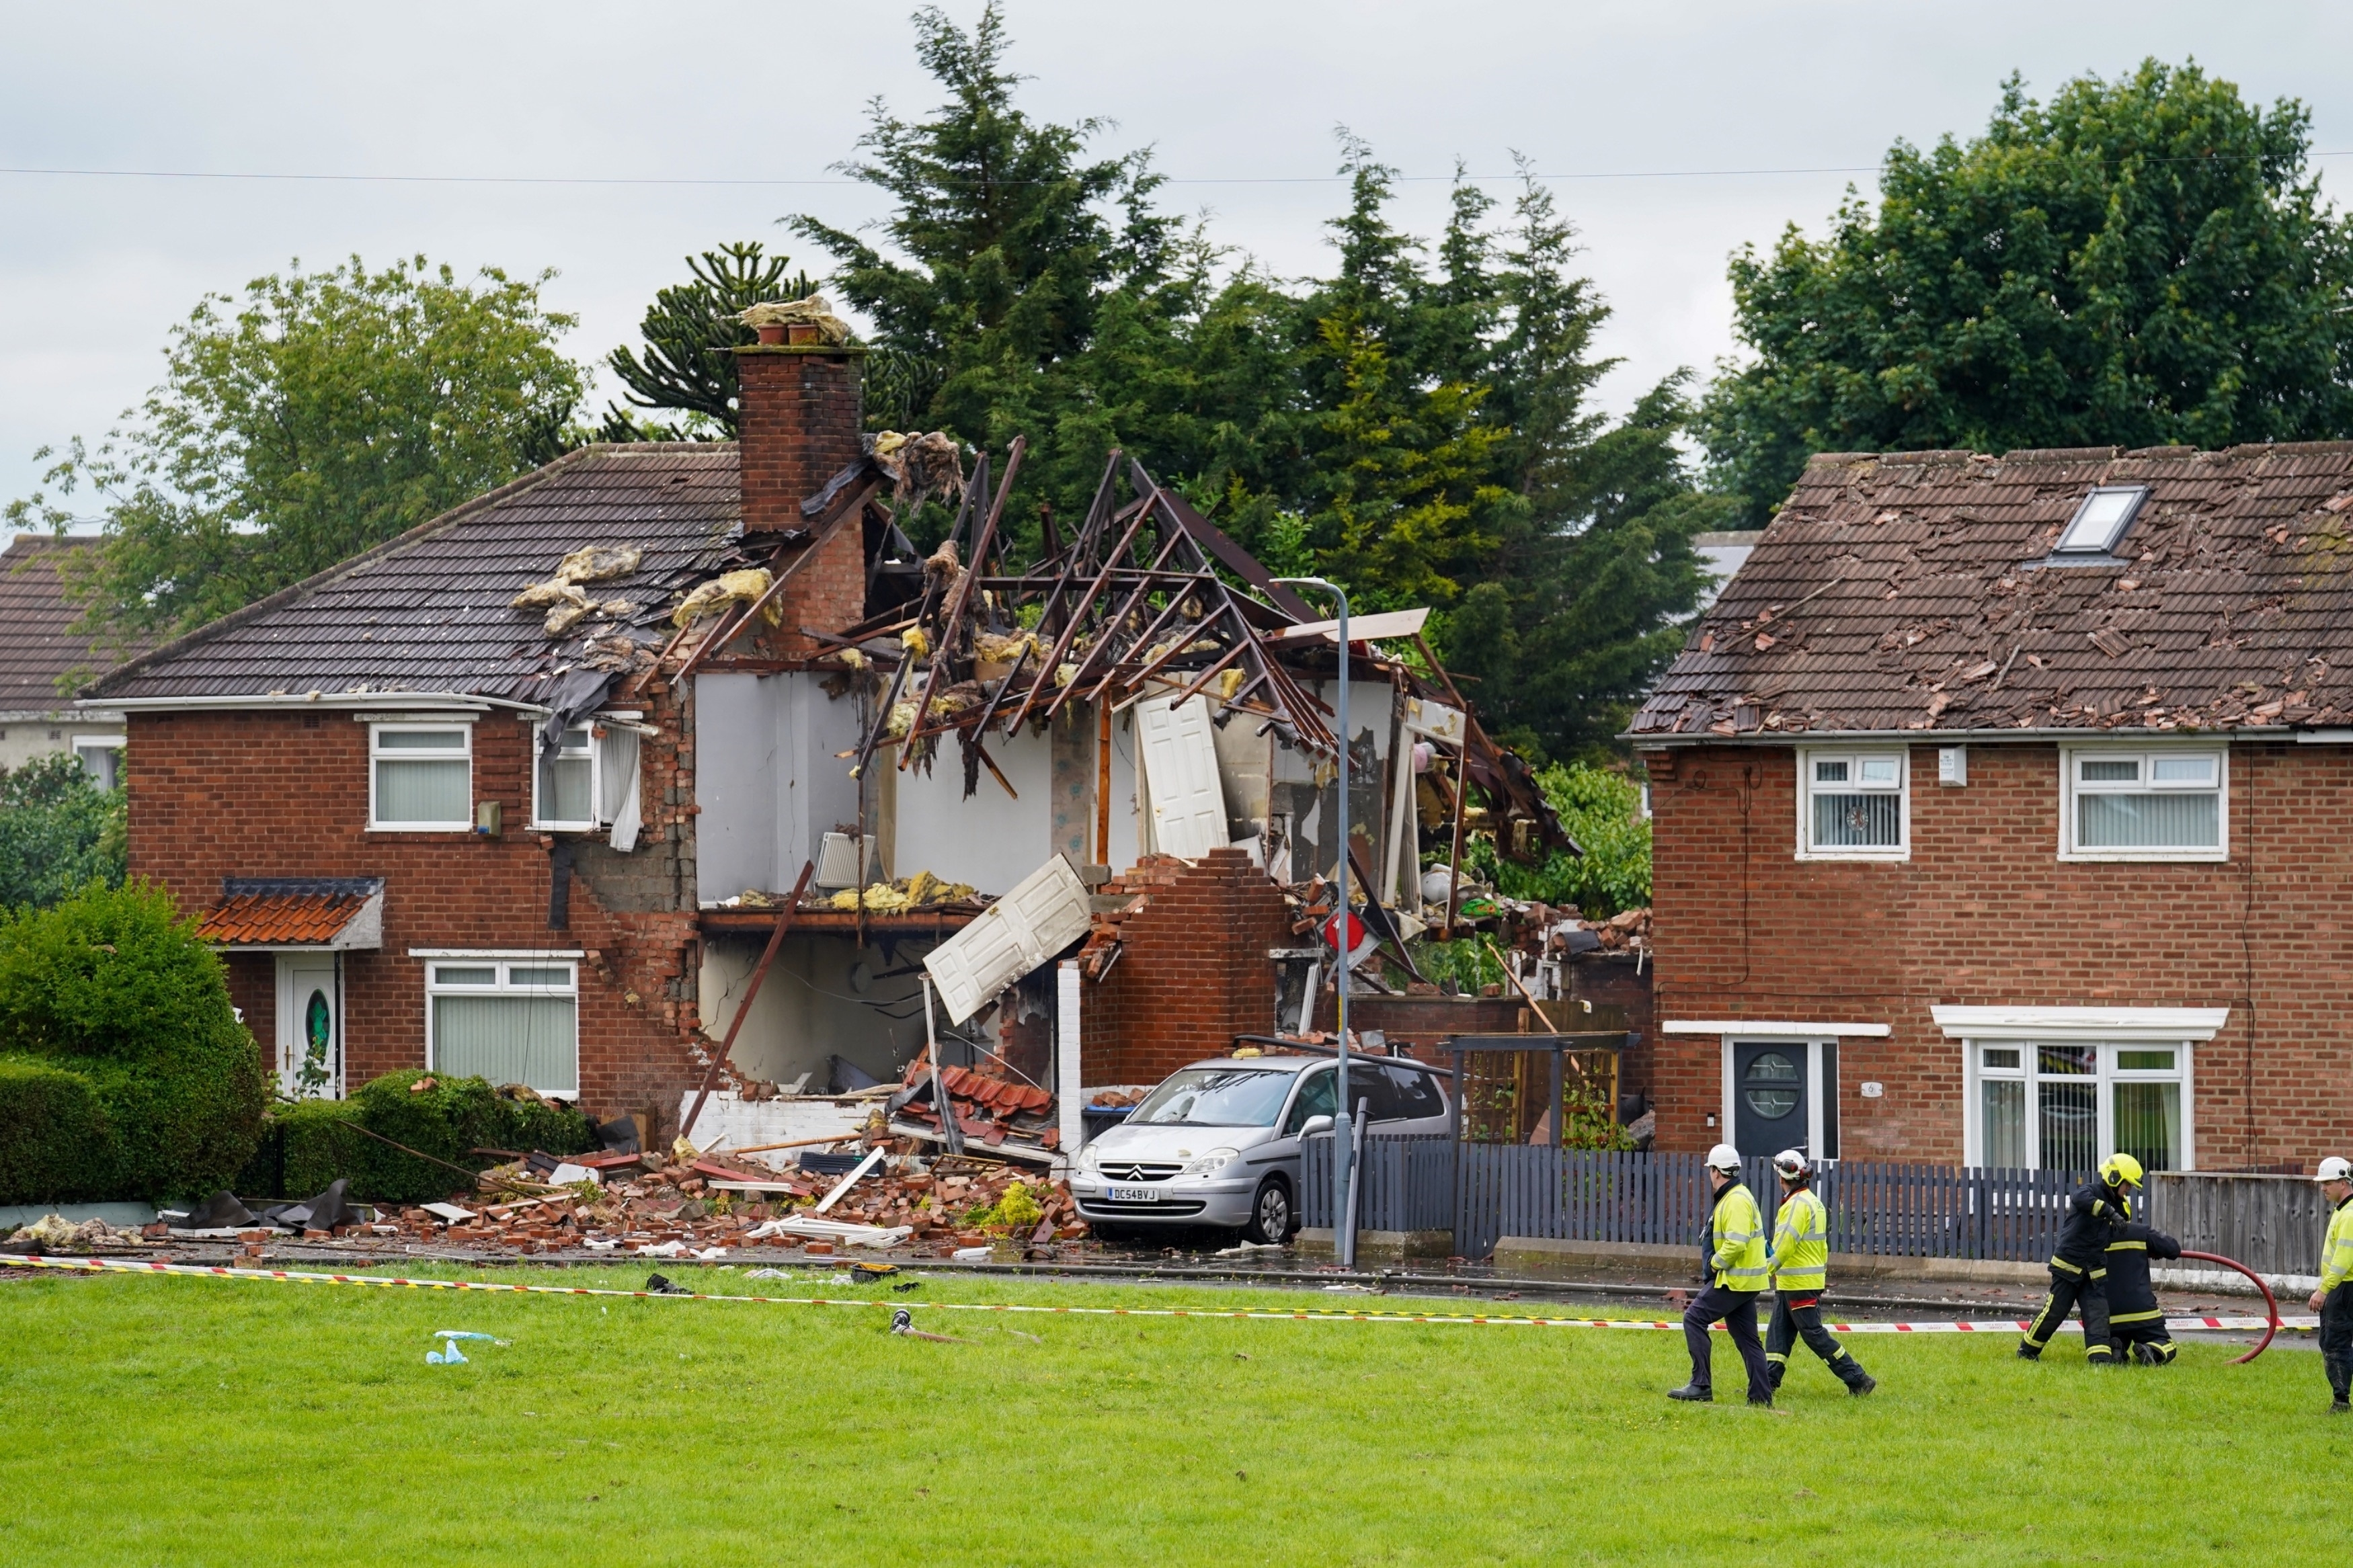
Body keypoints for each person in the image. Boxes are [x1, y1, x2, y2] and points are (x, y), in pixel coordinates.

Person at [1763, 1149, 1876, 1395]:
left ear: (1782, 1178)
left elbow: (1784, 1247)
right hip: (1795, 1283)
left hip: (1798, 1284)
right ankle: (1767, 1382)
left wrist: (1762, 1273)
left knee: (1814, 1335)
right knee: (1778, 1334)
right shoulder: (1813, 1202)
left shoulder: (1795, 1206)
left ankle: (1857, 1378)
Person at [1669, 1144, 1773, 1406]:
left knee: (1693, 1319)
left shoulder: (1735, 1200)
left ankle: (1700, 1384)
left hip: (1733, 1280)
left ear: (1716, 1171)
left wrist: (1715, 1263)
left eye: (1710, 1169)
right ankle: (1761, 1397)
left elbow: (1736, 1243)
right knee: (1748, 1339)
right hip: (1745, 1281)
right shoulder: (1738, 1195)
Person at [2019, 1152, 2141, 1364]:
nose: (2129, 1189)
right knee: (2055, 1312)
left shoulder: (2122, 1207)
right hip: (2069, 1266)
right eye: (2127, 1184)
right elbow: (2080, 1199)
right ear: (2114, 1178)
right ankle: (2027, 1352)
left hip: (2094, 1271)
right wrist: (2110, 1213)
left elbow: (2111, 1235)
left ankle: (2100, 1360)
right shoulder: (2090, 1191)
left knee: (2098, 1314)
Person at [2101, 1217, 2184, 1366]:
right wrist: (2151, 1249)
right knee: (2166, 1344)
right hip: (2143, 1312)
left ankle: (2116, 1348)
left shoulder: (2094, 1236)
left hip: (2110, 1314)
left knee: (2117, 1338)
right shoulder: (2139, 1232)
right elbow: (2173, 1249)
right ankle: (2151, 1350)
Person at [2307, 1155, 2353, 1414]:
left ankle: (2341, 1403)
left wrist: (2324, 1290)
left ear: (2344, 1183)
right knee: (2332, 1343)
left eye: (2328, 1183)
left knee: (2335, 1344)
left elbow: (2343, 1261)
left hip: (2343, 1289)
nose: (2323, 1188)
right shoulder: (2343, 1211)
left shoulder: (2349, 1216)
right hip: (2342, 1288)